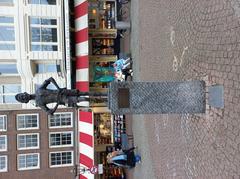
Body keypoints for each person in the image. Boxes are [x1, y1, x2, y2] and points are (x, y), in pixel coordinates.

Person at [15, 77, 107, 115]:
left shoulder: (39, 90)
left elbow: (50, 79)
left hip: (63, 91)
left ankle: (104, 94)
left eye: (22, 96)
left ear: (24, 92)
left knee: (84, 93)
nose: (23, 97)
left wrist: (58, 87)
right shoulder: (39, 103)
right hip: (63, 99)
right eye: (22, 99)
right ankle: (104, 101)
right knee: (84, 98)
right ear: (25, 101)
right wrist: (57, 104)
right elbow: (49, 113)